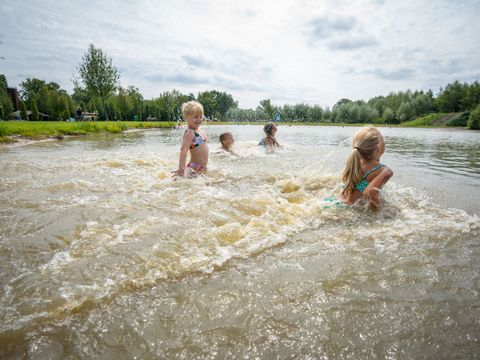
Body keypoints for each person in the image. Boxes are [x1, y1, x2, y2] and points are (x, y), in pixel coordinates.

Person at [338, 126, 393, 211]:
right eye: (382, 138)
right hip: (350, 210)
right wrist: (383, 212)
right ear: (378, 149)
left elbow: (362, 186)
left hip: (339, 203)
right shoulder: (382, 170)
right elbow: (370, 193)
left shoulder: (355, 164)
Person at [172, 101, 208, 177]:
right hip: (195, 167)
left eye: (200, 116)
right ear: (186, 118)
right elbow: (183, 150)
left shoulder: (200, 130)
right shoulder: (190, 132)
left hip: (202, 167)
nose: (198, 119)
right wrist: (181, 169)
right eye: (195, 117)